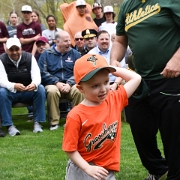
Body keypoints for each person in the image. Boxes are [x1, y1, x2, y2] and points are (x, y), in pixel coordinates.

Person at [110, 1, 180, 179]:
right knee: (139, 127)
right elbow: (120, 40)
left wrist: (177, 59)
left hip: (171, 79)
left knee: (173, 136)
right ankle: (159, 170)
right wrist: (114, 60)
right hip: (139, 80)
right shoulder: (127, 5)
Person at [62, 53, 141, 180]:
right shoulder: (76, 115)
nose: (103, 89)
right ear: (81, 88)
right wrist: (87, 168)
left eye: (106, 82)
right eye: (95, 86)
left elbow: (136, 78)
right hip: (82, 168)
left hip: (106, 170)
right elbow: (69, 148)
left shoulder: (114, 99)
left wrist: (109, 67)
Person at [38, 30, 84, 131]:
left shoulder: (75, 54)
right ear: (57, 42)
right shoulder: (46, 54)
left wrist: (69, 83)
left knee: (79, 90)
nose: (69, 43)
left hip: (70, 84)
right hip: (53, 84)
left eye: (69, 40)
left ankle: (77, 120)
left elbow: (79, 71)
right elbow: (42, 72)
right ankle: (54, 122)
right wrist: (56, 82)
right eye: (66, 41)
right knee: (52, 91)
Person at [0, 37, 46, 136]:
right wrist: (14, 85)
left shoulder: (29, 57)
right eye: (11, 50)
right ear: (6, 50)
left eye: (17, 49)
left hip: (27, 91)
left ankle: (38, 123)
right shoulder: (1, 59)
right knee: (2, 92)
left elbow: (37, 76)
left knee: (40, 89)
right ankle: (9, 126)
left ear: (21, 48)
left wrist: (34, 84)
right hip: (10, 92)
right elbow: (1, 80)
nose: (14, 52)